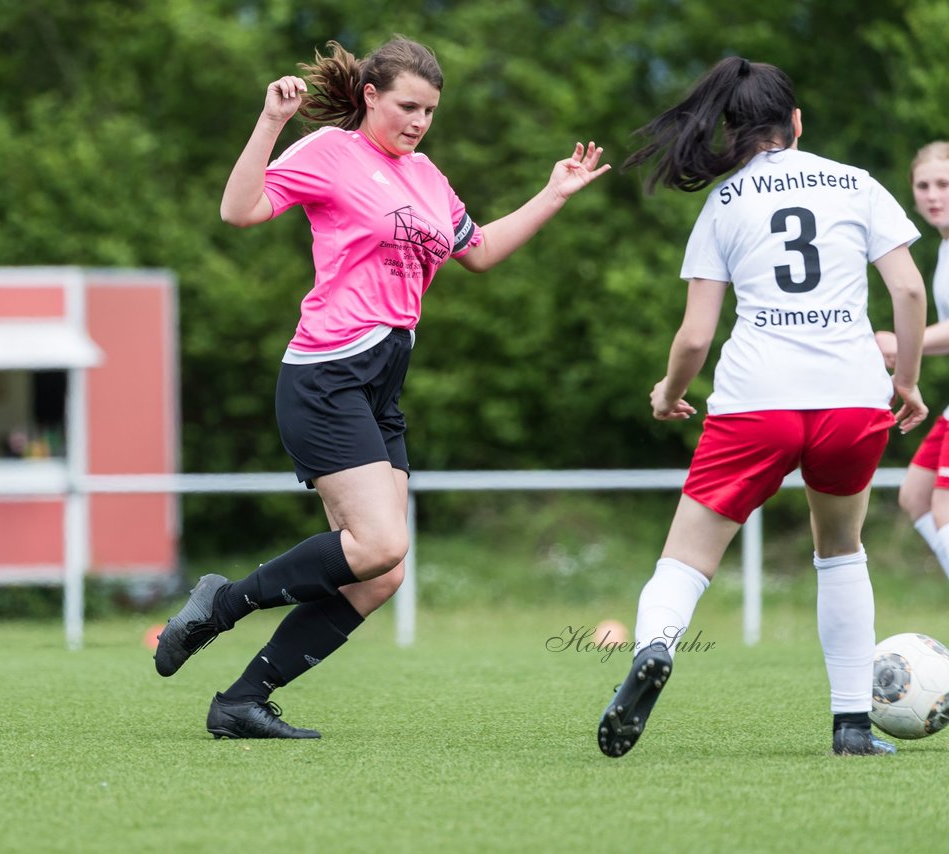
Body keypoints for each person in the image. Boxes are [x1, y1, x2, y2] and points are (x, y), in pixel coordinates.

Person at [154, 36, 611, 738]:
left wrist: (554, 193)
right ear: (369, 96)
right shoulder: (329, 153)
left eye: (429, 110)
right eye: (407, 106)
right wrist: (270, 123)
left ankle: (241, 701)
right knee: (376, 545)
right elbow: (238, 212)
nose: (419, 121)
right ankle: (222, 606)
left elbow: (480, 252)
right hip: (328, 372)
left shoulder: (427, 175)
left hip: (382, 381)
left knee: (380, 575)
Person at [598, 56, 928, 759]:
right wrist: (905, 380)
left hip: (757, 403)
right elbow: (907, 293)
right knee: (841, 552)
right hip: (851, 398)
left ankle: (654, 650)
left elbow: (694, 335)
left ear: (734, 130)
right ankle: (850, 727)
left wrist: (670, 391)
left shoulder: (723, 203)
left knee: (685, 561)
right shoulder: (856, 184)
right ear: (796, 123)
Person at [876, 142, 949, 578]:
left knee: (943, 507)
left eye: (944, 184)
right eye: (923, 186)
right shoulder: (943, 248)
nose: (933, 195)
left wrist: (906, 343)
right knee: (915, 496)